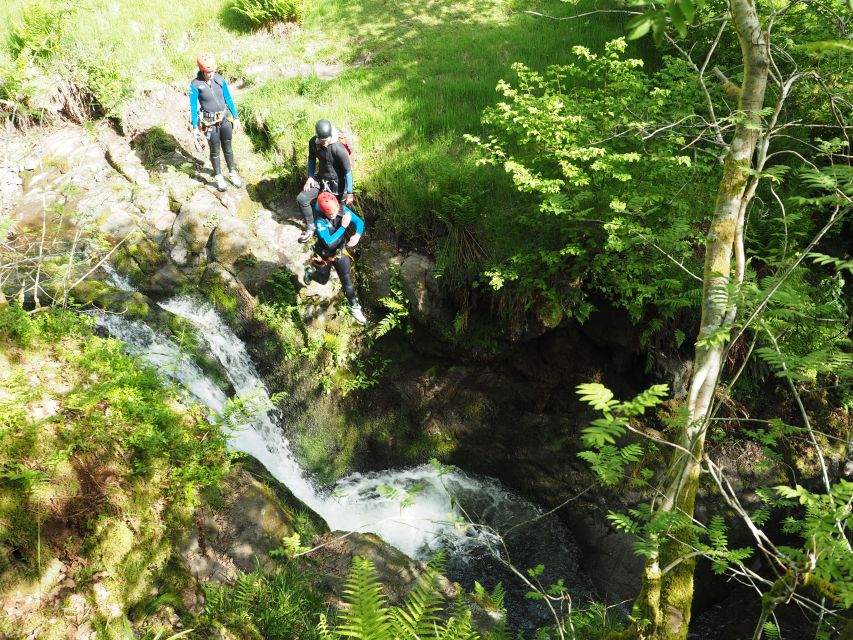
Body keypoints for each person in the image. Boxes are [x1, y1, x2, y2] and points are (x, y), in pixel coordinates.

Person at [304, 192, 367, 324]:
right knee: (323, 280)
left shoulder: (342, 209)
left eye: (334, 212)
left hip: (340, 251)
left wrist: (357, 235)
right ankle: (310, 274)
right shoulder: (319, 221)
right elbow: (328, 243)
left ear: (337, 206)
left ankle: (354, 307)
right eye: (330, 214)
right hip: (324, 255)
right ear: (323, 211)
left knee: (347, 280)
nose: (333, 215)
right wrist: (343, 227)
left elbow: (359, 222)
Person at [190, 53, 241, 192]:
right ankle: (218, 176)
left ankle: (232, 173)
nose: (211, 74)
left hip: (224, 119)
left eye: (212, 71)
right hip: (209, 122)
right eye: (207, 72)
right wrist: (195, 127)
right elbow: (194, 107)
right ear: (201, 70)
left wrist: (235, 118)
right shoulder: (195, 85)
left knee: (228, 148)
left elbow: (228, 99)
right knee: (215, 151)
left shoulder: (219, 79)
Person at [296, 119, 354, 243]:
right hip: (321, 179)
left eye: (327, 140)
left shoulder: (338, 148)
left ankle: (339, 237)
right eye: (322, 140)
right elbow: (311, 159)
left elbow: (348, 171)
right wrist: (310, 177)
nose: (325, 143)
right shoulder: (313, 143)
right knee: (302, 199)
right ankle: (311, 227)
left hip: (337, 185)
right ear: (318, 137)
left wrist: (350, 192)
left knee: (336, 213)